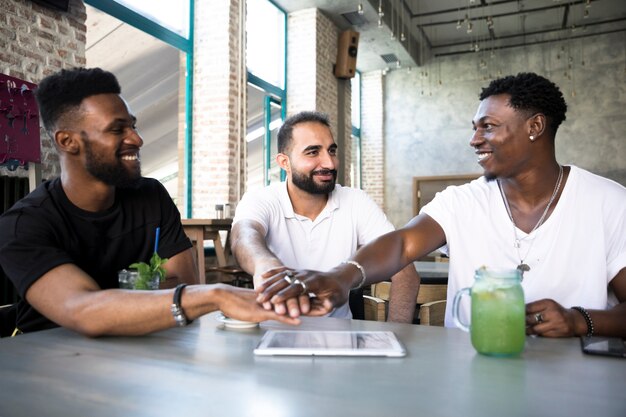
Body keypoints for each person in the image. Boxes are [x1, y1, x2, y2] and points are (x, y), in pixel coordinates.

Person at [257, 73, 626, 338]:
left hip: (579, 378)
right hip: (472, 374)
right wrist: (340, 278)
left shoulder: (608, 202)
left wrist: (580, 321)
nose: (474, 139)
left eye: (488, 126)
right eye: (474, 127)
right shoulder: (461, 201)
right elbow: (402, 244)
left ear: (535, 126)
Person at [0, 67, 298, 337]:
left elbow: (182, 282)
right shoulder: (24, 224)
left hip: (140, 350)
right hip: (47, 360)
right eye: (117, 129)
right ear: (67, 142)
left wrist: (127, 305)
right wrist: (217, 295)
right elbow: (85, 311)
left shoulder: (151, 195)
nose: (137, 139)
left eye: (133, 126)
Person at [231, 111, 420, 322]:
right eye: (313, 152)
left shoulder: (355, 201)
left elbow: (405, 272)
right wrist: (264, 263)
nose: (329, 163)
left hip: (339, 339)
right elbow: (244, 236)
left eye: (331, 151)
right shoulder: (262, 198)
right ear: (284, 162)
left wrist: (395, 336)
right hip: (274, 334)